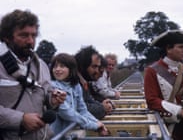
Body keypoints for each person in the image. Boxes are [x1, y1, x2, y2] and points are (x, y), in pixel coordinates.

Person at [0, 9, 66, 140]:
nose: (30, 41)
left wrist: (53, 99)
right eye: (23, 35)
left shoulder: (41, 66)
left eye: (34, 35)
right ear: (7, 37)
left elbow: (46, 94)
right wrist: (21, 119)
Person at [144, 29, 183, 140]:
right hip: (171, 128)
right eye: (181, 47)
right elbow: (152, 100)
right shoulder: (152, 71)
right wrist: (179, 111)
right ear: (168, 49)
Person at [49, 53, 109, 139]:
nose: (57, 69)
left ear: (71, 69)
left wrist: (97, 123)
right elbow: (66, 113)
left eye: (62, 66)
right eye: (55, 66)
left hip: (68, 133)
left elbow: (83, 110)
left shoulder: (76, 86)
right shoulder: (52, 87)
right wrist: (92, 125)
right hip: (55, 135)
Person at [74, 45, 114, 120]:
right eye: (94, 67)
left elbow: (89, 100)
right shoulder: (73, 82)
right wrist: (102, 108)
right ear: (83, 65)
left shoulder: (83, 81)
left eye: (98, 67)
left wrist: (103, 105)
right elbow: (79, 109)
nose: (97, 71)